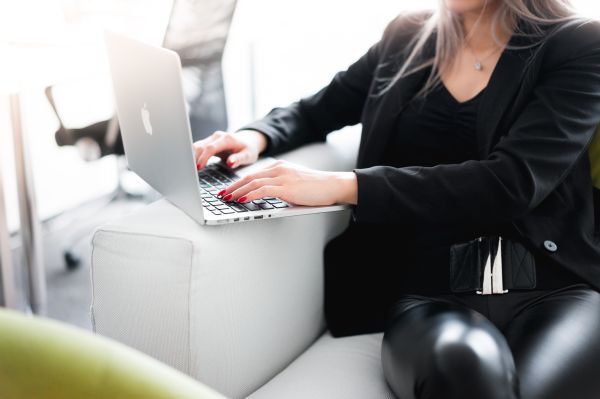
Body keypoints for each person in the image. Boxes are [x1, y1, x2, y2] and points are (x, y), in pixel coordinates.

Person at [191, 1, 600, 398]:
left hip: (554, 286)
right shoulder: (408, 35)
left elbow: (512, 183)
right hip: (432, 290)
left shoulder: (577, 43)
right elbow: (317, 110)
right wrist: (253, 137)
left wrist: (347, 185)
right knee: (465, 376)